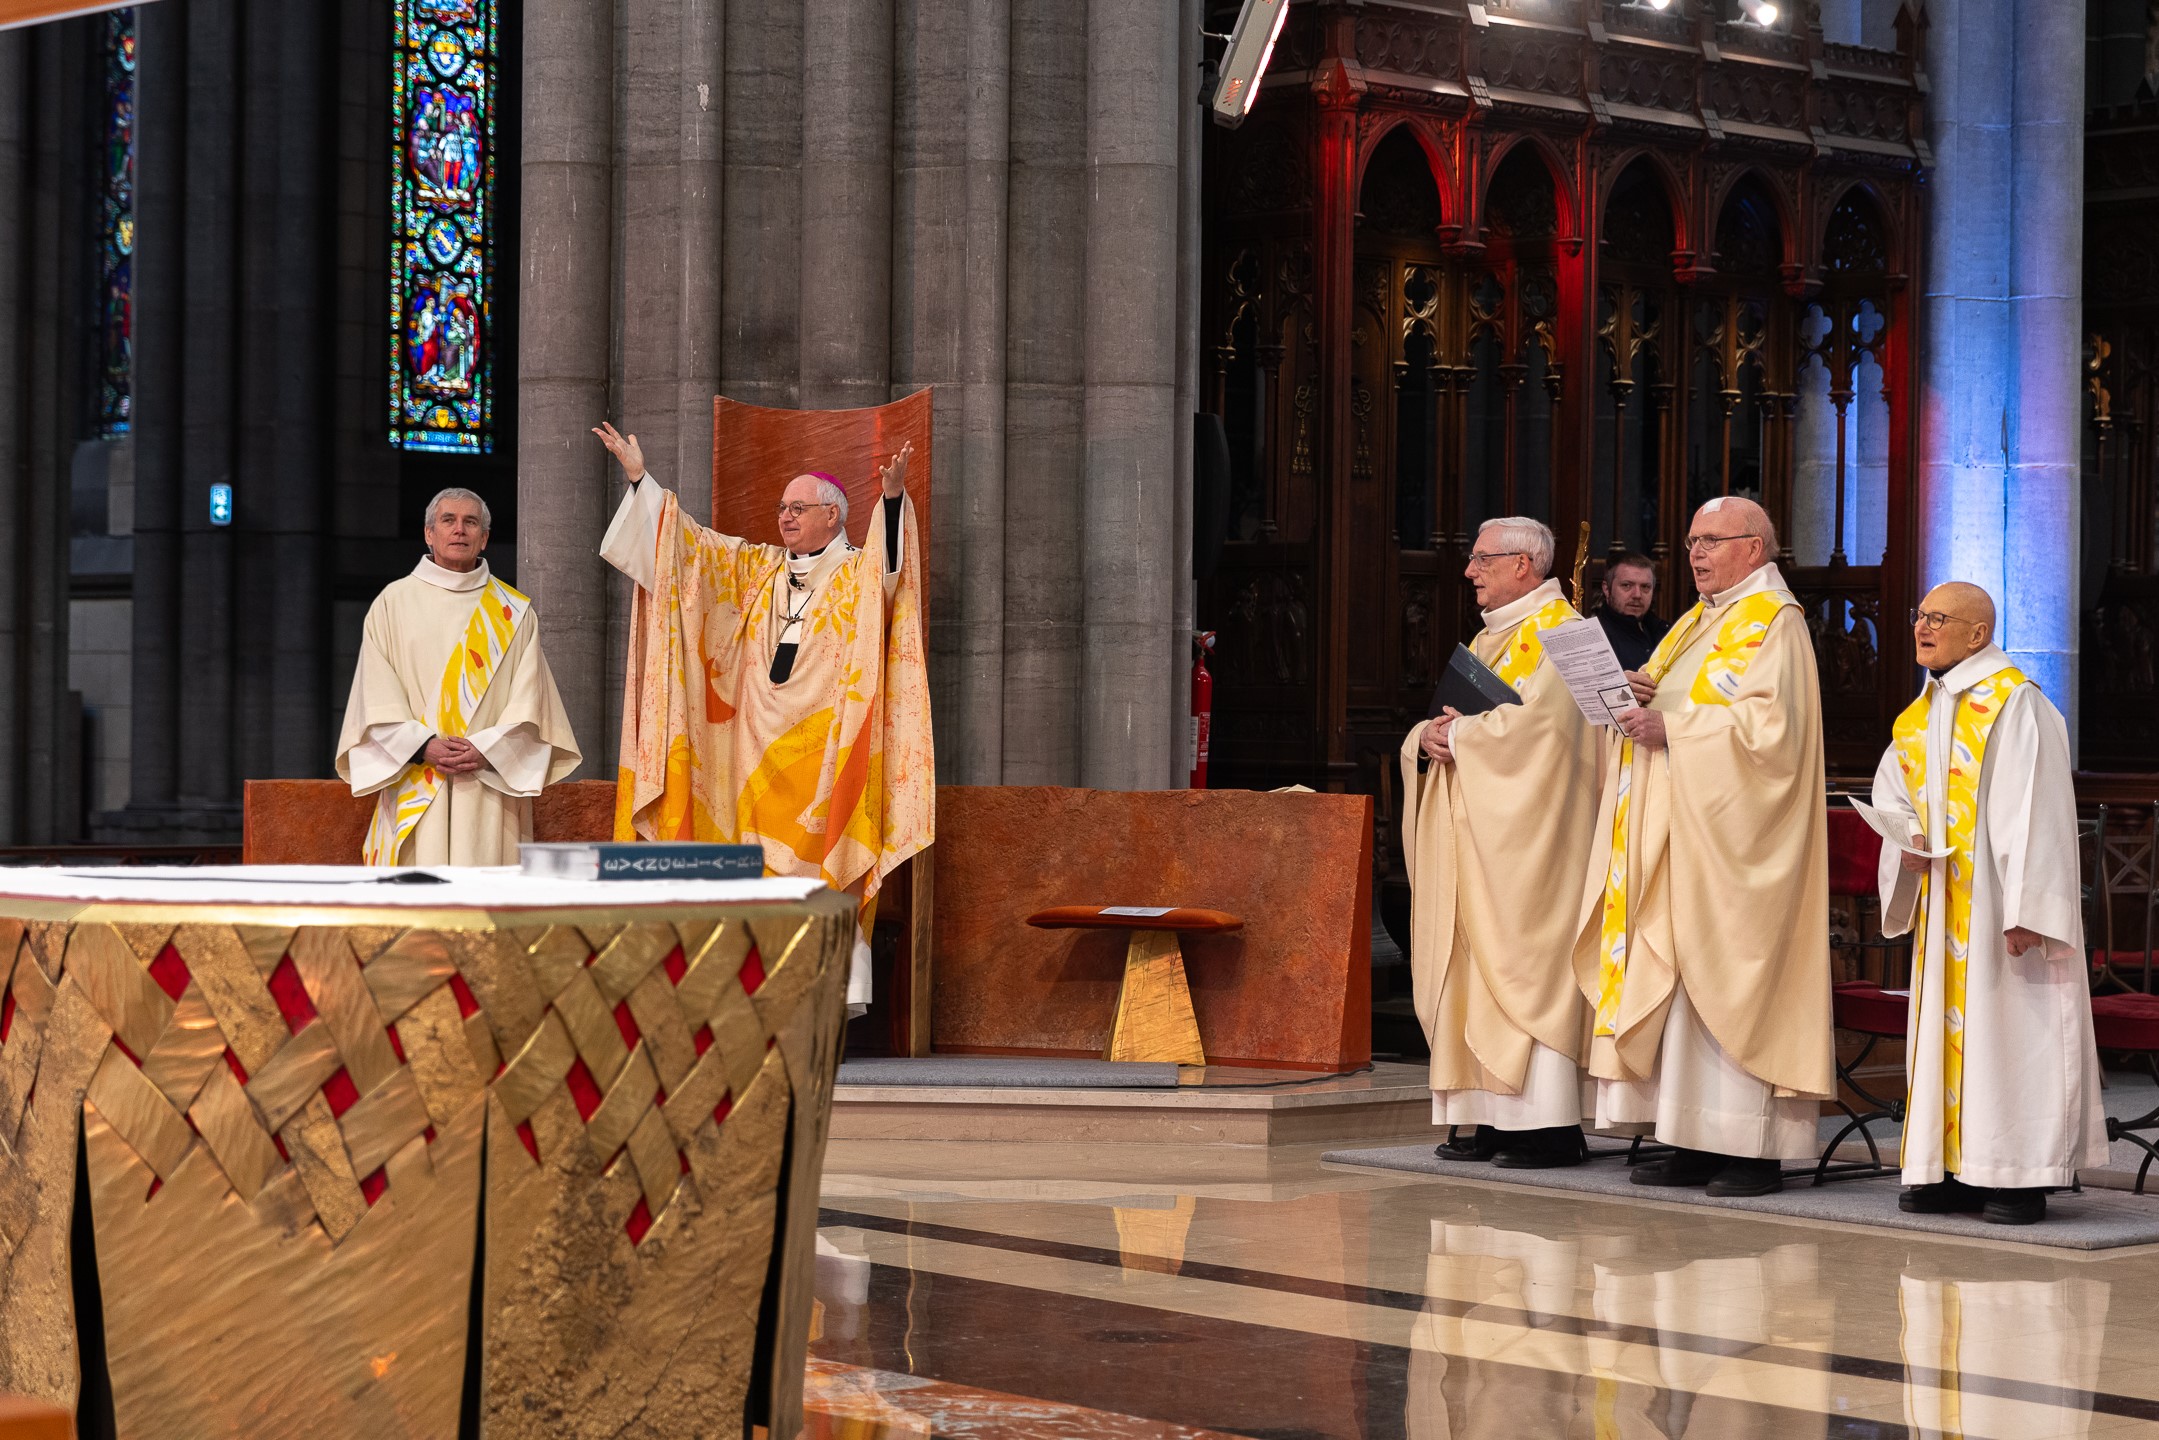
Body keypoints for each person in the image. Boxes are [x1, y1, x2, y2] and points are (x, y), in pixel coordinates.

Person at [594, 422, 933, 1014]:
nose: (785, 517)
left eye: (799, 507)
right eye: (781, 507)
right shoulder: (754, 569)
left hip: (824, 755)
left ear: (835, 516)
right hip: (747, 758)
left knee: (820, 877)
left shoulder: (855, 570)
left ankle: (820, 1013)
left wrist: (894, 497)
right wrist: (639, 480)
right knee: (748, 881)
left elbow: (890, 576)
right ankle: (749, 1010)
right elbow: (685, 549)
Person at [1575, 496, 1833, 1197]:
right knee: (1679, 984)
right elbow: (1668, 705)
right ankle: (1687, 1135)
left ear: (1753, 548)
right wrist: (1632, 702)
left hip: (1738, 845)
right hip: (1681, 834)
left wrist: (1675, 732)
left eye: (1710, 541)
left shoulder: (1774, 626)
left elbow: (1772, 738)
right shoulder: (1696, 620)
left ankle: (1750, 1149)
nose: (1694, 554)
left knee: (1731, 981)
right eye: (1690, 540)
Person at [1868, 582, 2106, 1225]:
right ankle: (1946, 1169)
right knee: (1949, 1039)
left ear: (1979, 634)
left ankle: (2018, 1177)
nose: (1923, 627)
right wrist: (1905, 842)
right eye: (1920, 616)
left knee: (2011, 1032)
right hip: (1943, 905)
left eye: (1939, 619)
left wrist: (2030, 907)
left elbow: (2037, 809)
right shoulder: (1917, 715)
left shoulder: (2014, 703)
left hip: (2000, 909)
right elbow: (1891, 793)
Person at [1400, 517, 1599, 1169]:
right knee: (1475, 973)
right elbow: (1464, 718)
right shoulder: (1493, 640)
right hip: (1483, 836)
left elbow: (1546, 734)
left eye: (1481, 559)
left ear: (1523, 565)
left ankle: (1544, 1129)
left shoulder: (1564, 635)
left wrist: (1457, 738)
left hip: (1534, 844)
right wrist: (1425, 736)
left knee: (1525, 971)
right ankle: (1489, 1118)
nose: (1467, 571)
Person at [336, 488, 581, 865]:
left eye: (471, 523)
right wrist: (421, 746)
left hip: (487, 782)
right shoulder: (393, 602)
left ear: (483, 538)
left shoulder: (512, 612)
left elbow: (532, 701)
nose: (459, 530)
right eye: (448, 520)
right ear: (429, 534)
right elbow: (375, 694)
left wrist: (487, 748)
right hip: (416, 777)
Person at [1595, 552, 1668, 672]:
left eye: (1645, 587)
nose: (1637, 595)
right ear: (1607, 589)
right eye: (1627, 585)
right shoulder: (1595, 638)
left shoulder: (1668, 632)